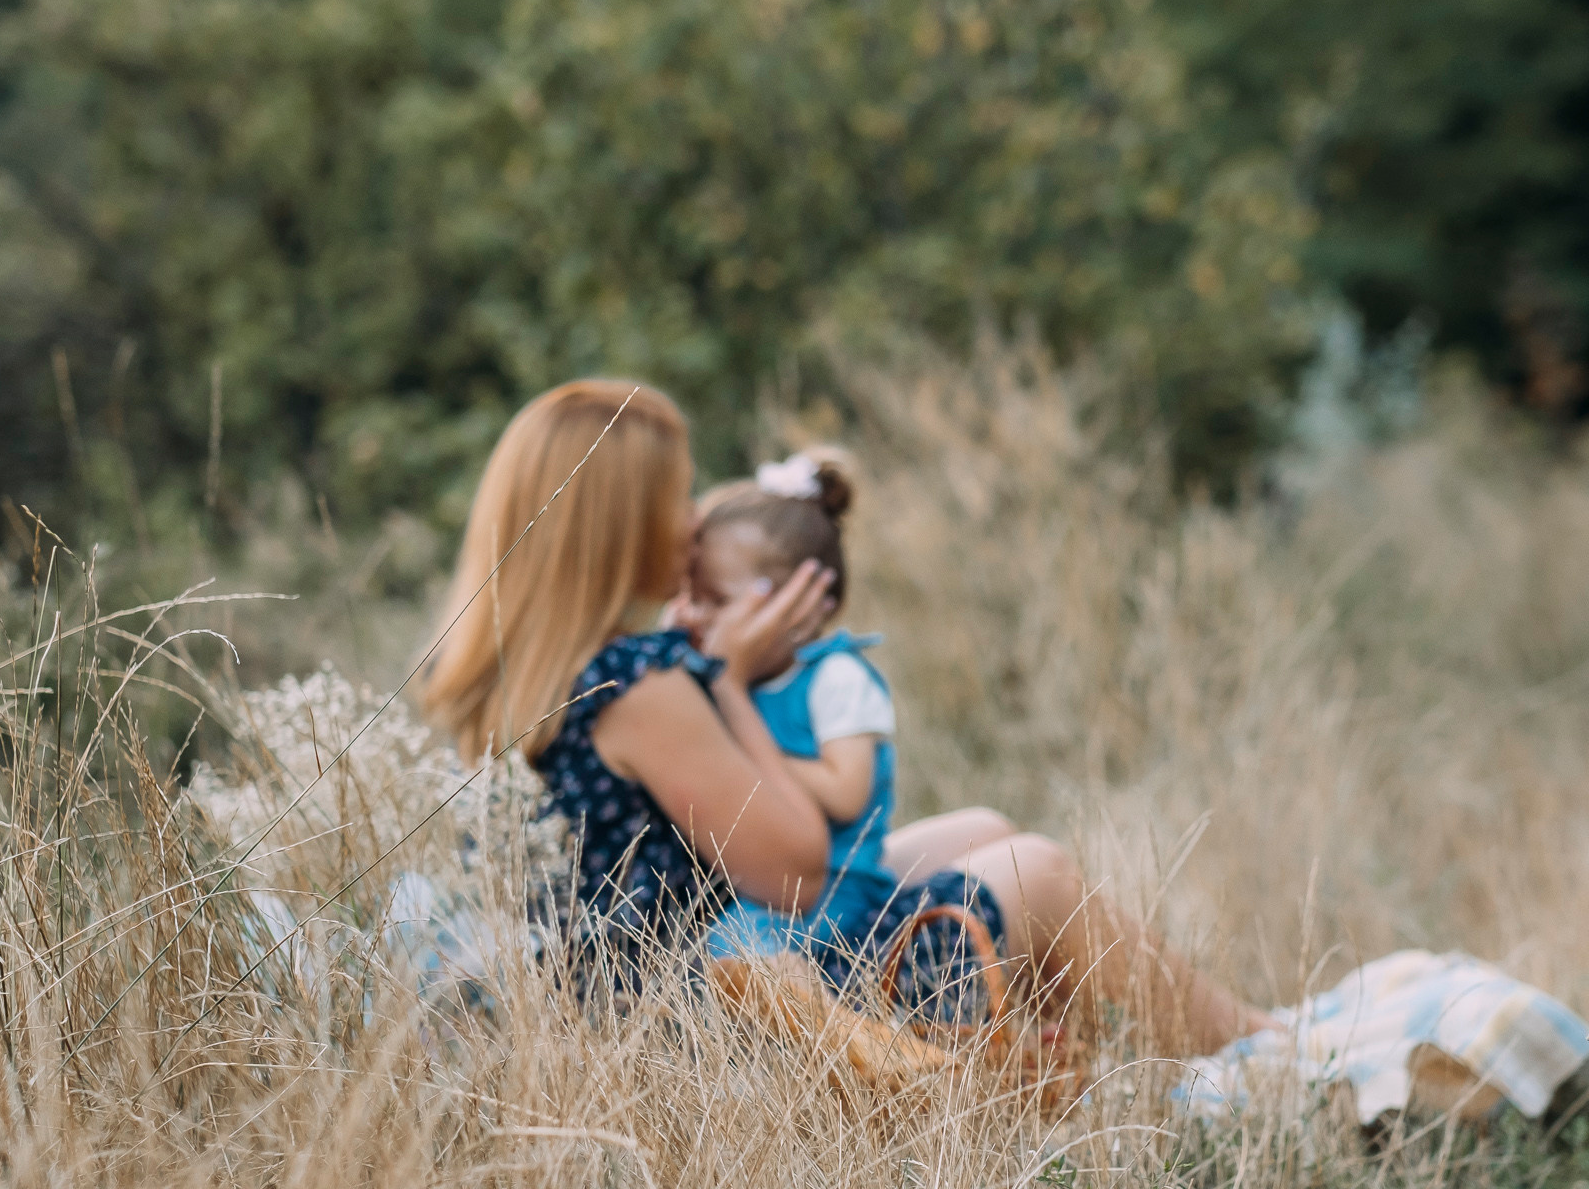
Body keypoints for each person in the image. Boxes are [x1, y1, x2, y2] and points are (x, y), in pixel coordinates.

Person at [418, 378, 1270, 1054]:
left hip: (650, 978)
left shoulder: (514, 670)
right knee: (1039, 869)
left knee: (979, 826)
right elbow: (797, 876)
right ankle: (1267, 1052)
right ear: (619, 526)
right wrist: (730, 679)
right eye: (675, 501)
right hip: (721, 1018)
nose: (691, 526)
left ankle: (1014, 1064)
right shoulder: (640, 689)